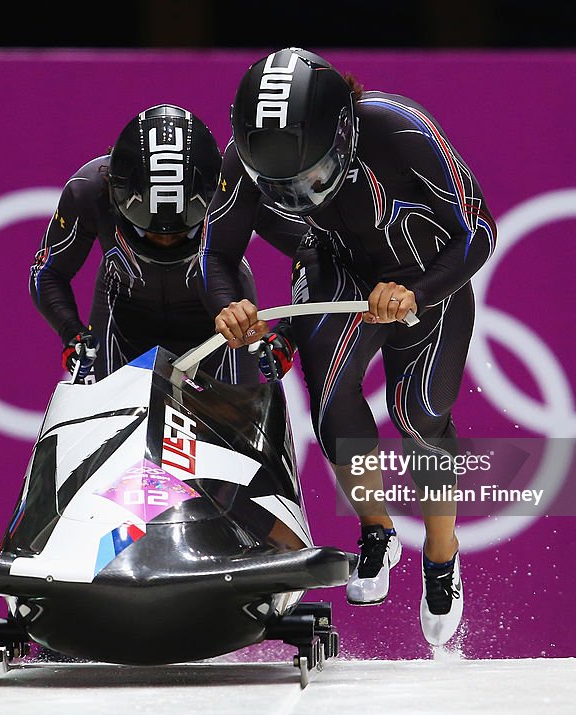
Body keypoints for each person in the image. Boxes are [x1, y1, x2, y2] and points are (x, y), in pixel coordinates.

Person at [199, 48, 497, 646]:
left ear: (345, 132)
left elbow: (478, 234)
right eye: (279, 186)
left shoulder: (403, 134)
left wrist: (416, 291)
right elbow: (218, 255)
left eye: (311, 177)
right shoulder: (243, 159)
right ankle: (377, 532)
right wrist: (228, 308)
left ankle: (442, 553)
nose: (299, 195)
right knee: (331, 395)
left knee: (420, 415)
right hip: (335, 273)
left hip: (426, 278)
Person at [30, 103, 304, 385]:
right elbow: (48, 272)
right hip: (124, 324)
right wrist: (71, 333)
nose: (164, 241)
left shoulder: (233, 186)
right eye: (147, 231)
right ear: (117, 194)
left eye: (182, 233)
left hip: (221, 330)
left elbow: (320, 255)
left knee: (234, 427)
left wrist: (288, 336)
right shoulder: (88, 190)